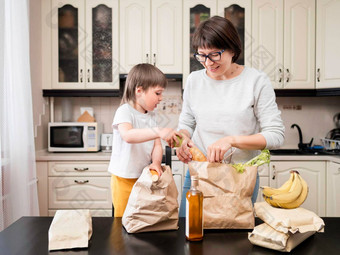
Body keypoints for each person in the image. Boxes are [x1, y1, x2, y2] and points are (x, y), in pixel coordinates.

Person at [172, 16, 285, 217]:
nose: (208, 63)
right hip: (199, 173)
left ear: (232, 49)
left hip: (239, 177)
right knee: (188, 232)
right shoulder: (194, 80)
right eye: (201, 56)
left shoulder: (256, 81)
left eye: (214, 54)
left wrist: (231, 141)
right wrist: (182, 138)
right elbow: (187, 122)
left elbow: (276, 136)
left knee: (233, 242)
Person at [108, 63, 175, 217]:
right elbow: (128, 136)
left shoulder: (151, 115)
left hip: (144, 178)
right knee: (123, 221)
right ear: (139, 91)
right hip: (124, 179)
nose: (161, 98)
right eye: (157, 93)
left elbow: (157, 145)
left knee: (141, 219)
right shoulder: (124, 111)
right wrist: (158, 130)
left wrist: (156, 162)